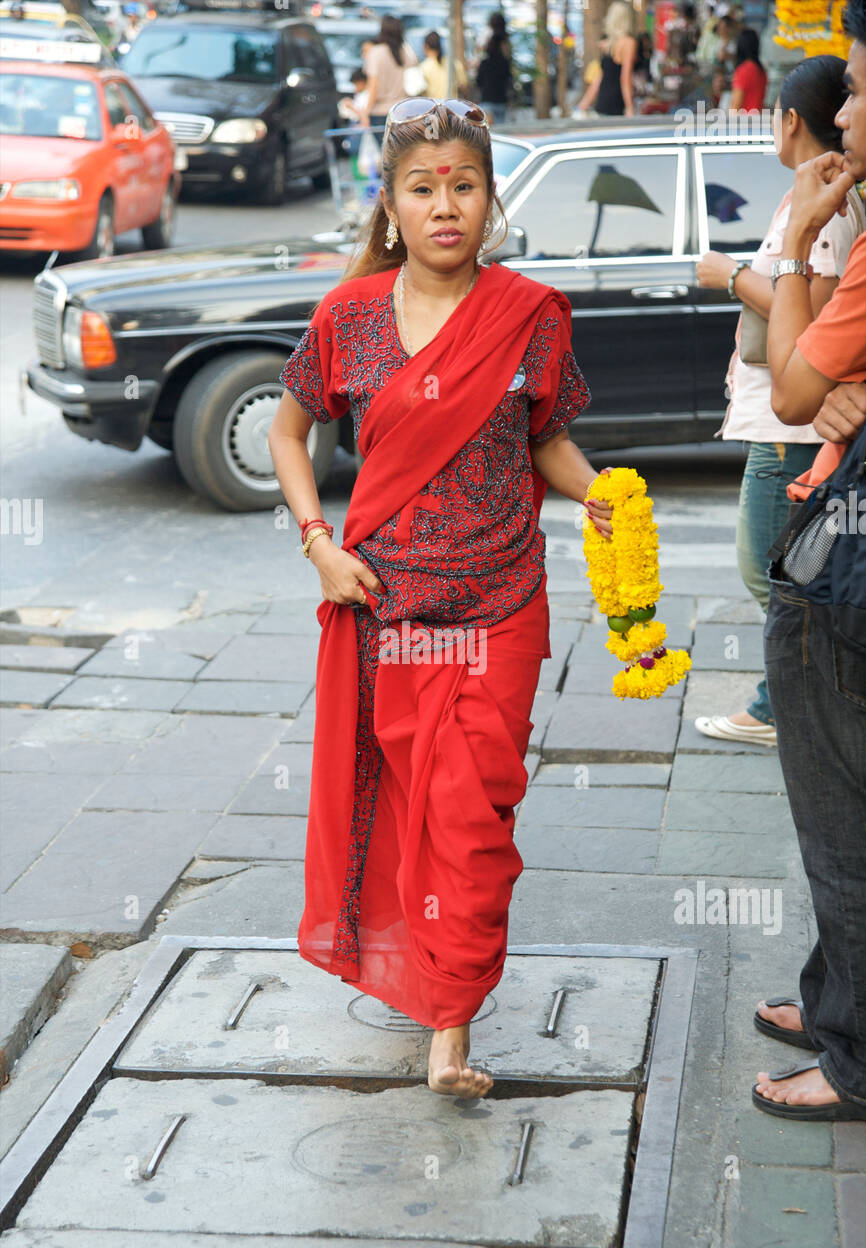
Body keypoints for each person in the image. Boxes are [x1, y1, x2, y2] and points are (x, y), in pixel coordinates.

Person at [268, 97, 612, 1099]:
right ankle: (417, 976)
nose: (444, 205)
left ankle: (448, 1032)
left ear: (487, 197)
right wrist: (318, 544)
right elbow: (290, 435)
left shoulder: (530, 315)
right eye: (422, 189)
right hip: (386, 614)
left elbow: (546, 440)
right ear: (390, 203)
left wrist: (602, 495)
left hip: (500, 608)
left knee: (469, 819)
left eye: (462, 185)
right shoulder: (348, 318)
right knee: (404, 808)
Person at [753, 0, 866, 1122]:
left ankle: (850, 1058)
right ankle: (828, 995)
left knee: (839, 827)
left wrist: (793, 241)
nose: (844, 111)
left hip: (843, 576)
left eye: (862, 91)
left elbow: (789, 385)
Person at [695, 55, 865, 747]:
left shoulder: (823, 208)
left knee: (785, 580)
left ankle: (786, 701)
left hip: (788, 426)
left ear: (787, 118)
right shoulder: (816, 198)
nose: (845, 115)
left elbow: (804, 365)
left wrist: (736, 274)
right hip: (785, 414)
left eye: (857, 95)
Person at [359, 15, 420, 129]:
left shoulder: (376, 53)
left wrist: (365, 112)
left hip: (379, 112)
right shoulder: (406, 52)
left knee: (383, 146)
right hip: (402, 109)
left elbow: (374, 85)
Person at [578, 1, 638, 118]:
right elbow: (625, 77)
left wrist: (583, 104)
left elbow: (599, 78)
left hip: (602, 104)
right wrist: (630, 107)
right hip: (617, 104)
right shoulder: (628, 43)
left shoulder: (609, 44)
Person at [475, 12, 513, 126]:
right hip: (501, 99)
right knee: (501, 131)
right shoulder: (506, 55)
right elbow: (509, 77)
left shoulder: (486, 60)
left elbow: (479, 80)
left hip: (487, 98)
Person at [419, 30, 467, 100]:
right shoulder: (454, 63)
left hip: (434, 109)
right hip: (451, 108)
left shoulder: (423, 67)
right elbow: (464, 87)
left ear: (425, 46)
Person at [729, 27, 767, 113]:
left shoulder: (744, 70)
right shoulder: (761, 70)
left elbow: (736, 104)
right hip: (758, 119)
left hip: (744, 122)